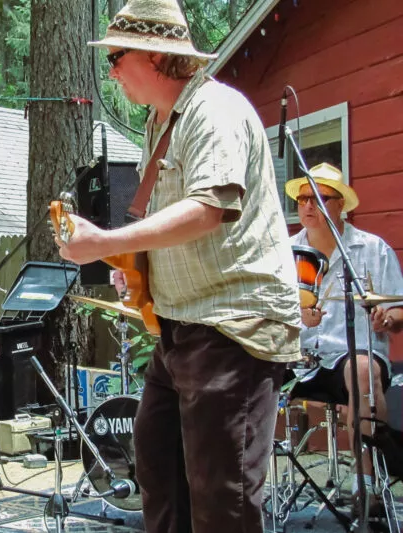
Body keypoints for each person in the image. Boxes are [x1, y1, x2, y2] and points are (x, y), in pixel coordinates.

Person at [57, 1, 302, 531]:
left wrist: (106, 243)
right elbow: (172, 220)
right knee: (160, 473)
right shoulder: (160, 123)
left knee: (223, 500)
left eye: (117, 57)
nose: (111, 71)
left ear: (153, 54)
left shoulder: (215, 110)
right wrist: (136, 265)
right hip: (180, 327)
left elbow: (208, 209)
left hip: (232, 325)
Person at [284, 163, 403, 513]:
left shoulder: (372, 249)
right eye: (304, 198)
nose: (309, 205)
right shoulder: (284, 251)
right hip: (299, 355)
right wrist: (296, 316)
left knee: (364, 371)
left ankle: (368, 487)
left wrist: (387, 319)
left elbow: (398, 309)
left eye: (320, 198)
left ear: (342, 205)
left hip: (354, 355)